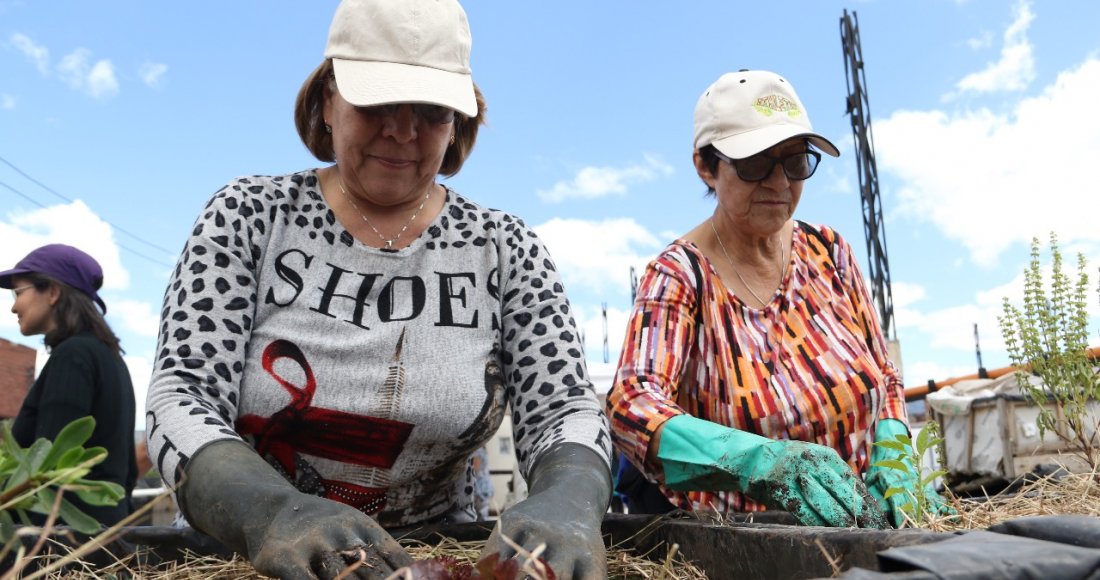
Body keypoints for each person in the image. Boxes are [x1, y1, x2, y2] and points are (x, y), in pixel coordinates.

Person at [144, 0, 611, 578]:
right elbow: (182, 392)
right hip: (245, 556)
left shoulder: (503, 247)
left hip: (438, 555)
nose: (402, 130)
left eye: (432, 110)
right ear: (327, 101)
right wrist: (268, 511)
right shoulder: (250, 216)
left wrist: (569, 497)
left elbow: (562, 404)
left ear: (457, 123)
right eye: (376, 103)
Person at [607, 70, 947, 529]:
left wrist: (893, 453)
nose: (779, 183)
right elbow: (632, 404)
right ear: (706, 166)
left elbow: (884, 375)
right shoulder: (679, 276)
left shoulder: (830, 252)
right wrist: (758, 463)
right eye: (754, 164)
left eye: (795, 162)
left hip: (863, 531)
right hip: (749, 546)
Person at [0, 244, 137, 527]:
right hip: (103, 533)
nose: (13, 305)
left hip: (61, 540)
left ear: (52, 292)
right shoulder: (109, 358)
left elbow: (47, 469)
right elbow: (127, 470)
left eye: (18, 293)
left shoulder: (73, 355)